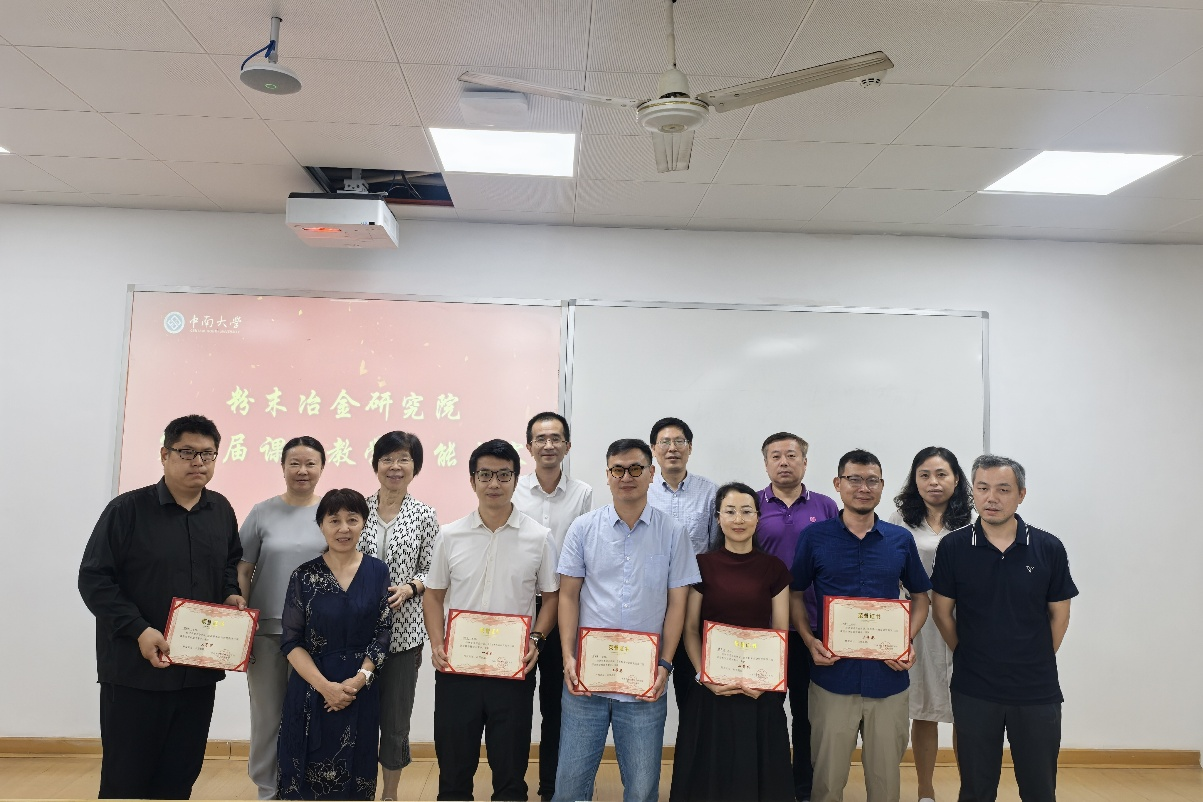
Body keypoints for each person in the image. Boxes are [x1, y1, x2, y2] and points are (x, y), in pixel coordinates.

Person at [79, 414, 244, 800]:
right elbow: (94, 579)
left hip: (197, 672)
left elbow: (228, 566)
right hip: (135, 672)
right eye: (187, 452)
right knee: (125, 779)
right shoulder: (127, 510)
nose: (198, 462)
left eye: (208, 454)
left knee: (179, 777)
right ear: (164, 454)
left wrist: (230, 596)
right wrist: (139, 629)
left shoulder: (221, 510)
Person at [554, 438, 701, 802]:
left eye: (635, 469)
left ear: (651, 474)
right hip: (586, 677)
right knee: (570, 786)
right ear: (607, 476)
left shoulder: (672, 532)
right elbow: (568, 596)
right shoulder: (583, 528)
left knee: (641, 787)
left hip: (644, 678)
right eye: (617, 470)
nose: (626, 477)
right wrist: (568, 656)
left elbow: (677, 605)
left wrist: (665, 663)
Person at [930, 455, 1077, 802]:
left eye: (1003, 489)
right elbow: (942, 613)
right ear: (973, 493)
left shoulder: (1048, 547)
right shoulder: (954, 547)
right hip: (974, 686)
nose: (991, 498)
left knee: (1039, 788)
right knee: (976, 788)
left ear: (1021, 494)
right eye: (982, 488)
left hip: (1036, 688)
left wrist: (1036, 657)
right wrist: (968, 653)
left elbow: (1059, 616)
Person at [790, 449, 931, 802]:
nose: (863, 488)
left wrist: (906, 639)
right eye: (854, 479)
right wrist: (808, 639)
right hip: (832, 676)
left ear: (882, 486)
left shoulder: (900, 540)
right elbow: (794, 594)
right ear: (838, 484)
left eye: (872, 481)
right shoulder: (815, 537)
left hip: (888, 676)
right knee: (827, 780)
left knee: (885, 781)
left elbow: (921, 598)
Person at [423, 439, 560, 802]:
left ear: (516, 479)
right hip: (457, 667)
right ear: (472, 480)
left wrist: (536, 639)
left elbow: (552, 598)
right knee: (453, 771)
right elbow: (433, 595)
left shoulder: (539, 537)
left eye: (503, 475)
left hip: (511, 668)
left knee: (510, 771)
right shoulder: (449, 535)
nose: (494, 483)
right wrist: (437, 644)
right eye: (485, 475)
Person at [670, 482, 793, 802]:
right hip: (712, 688)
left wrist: (766, 681)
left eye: (746, 511)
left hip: (759, 689)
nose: (738, 519)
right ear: (718, 518)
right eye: (730, 511)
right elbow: (691, 630)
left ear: (758, 518)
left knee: (758, 772)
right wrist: (704, 675)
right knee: (710, 774)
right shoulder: (700, 565)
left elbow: (780, 631)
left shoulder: (774, 569)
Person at [277, 488, 392, 801]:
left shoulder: (378, 571)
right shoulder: (303, 575)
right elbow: (291, 641)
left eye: (352, 519)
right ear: (321, 525)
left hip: (360, 688)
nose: (344, 528)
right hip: (312, 687)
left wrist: (359, 680)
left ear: (364, 523)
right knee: (306, 772)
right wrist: (325, 687)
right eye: (334, 520)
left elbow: (383, 632)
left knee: (358, 771)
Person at [238, 436, 329, 800]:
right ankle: (268, 788)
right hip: (266, 632)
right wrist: (242, 623)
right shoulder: (262, 512)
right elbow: (243, 570)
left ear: (322, 468)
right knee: (267, 714)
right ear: (282, 467)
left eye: (310, 463)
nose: (302, 471)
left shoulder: (331, 512)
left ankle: (304, 786)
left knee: (311, 714)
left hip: (317, 634)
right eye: (294, 463)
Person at [354, 431, 440, 801]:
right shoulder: (357, 509)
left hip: (403, 637)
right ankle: (355, 791)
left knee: (394, 723)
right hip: (354, 634)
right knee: (354, 719)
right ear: (376, 465)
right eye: (387, 458)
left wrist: (410, 587)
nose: (395, 466)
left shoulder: (424, 515)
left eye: (403, 459)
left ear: (414, 467)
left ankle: (389, 795)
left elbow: (433, 569)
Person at [513, 411, 594, 801]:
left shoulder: (583, 494)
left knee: (557, 707)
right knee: (514, 706)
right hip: (517, 610)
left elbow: (587, 552)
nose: (548, 445)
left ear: (567, 446)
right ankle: (513, 788)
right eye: (540, 439)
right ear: (529, 446)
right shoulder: (512, 489)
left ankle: (551, 788)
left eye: (555, 438)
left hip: (564, 609)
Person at [755, 432, 839, 802]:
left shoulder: (825, 506)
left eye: (791, 455)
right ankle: (770, 785)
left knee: (808, 714)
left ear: (805, 462)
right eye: (775, 456)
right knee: (767, 712)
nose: (784, 462)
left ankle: (804, 786)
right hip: (764, 629)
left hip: (814, 627)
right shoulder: (751, 505)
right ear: (765, 464)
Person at [888, 446, 974, 802]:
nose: (933, 482)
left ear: (956, 478)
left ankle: (970, 789)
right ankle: (926, 790)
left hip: (965, 622)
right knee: (924, 709)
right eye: (924, 475)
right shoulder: (900, 519)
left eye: (941, 474)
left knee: (967, 711)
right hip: (919, 621)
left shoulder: (974, 518)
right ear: (915, 480)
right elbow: (890, 569)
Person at [647, 417, 718, 711]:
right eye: (665, 442)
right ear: (654, 449)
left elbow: (715, 550)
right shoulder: (642, 490)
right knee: (647, 685)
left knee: (693, 692)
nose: (672, 448)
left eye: (679, 442)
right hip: (651, 602)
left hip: (695, 603)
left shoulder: (710, 492)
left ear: (690, 448)